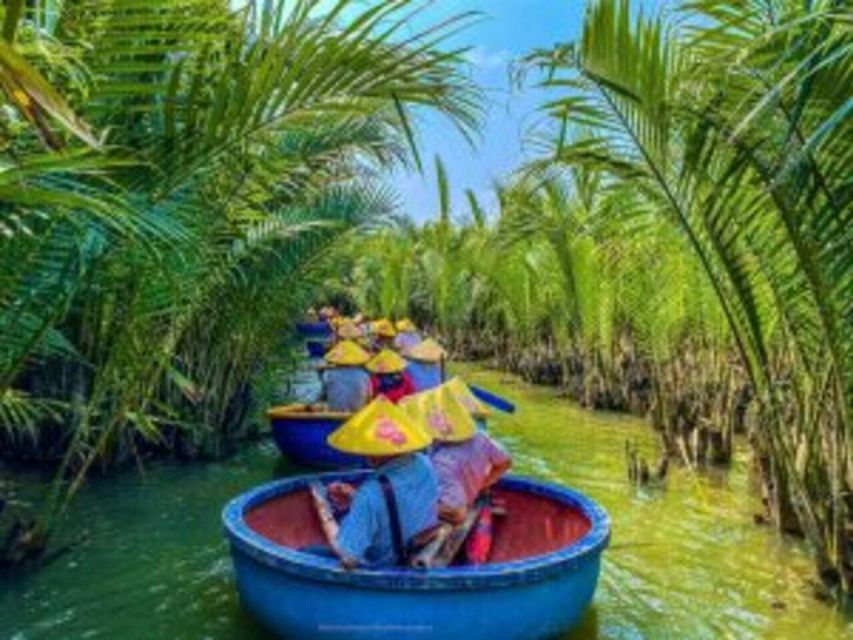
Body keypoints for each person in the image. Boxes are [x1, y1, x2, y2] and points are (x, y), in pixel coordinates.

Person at [310, 397, 439, 569]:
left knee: (307, 551)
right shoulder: (424, 462)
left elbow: (348, 558)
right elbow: (401, 503)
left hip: (386, 566)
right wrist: (354, 496)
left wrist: (323, 510)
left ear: (372, 452)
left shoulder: (371, 493)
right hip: (414, 548)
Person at [403, 382, 512, 525]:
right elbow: (506, 462)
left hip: (453, 511)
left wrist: (415, 506)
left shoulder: (442, 462)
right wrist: (483, 484)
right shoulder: (480, 437)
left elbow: (457, 513)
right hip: (468, 494)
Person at [321, 340, 372, 412]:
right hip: (358, 416)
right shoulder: (364, 375)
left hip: (334, 415)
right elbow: (369, 398)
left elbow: (323, 397)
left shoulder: (328, 374)